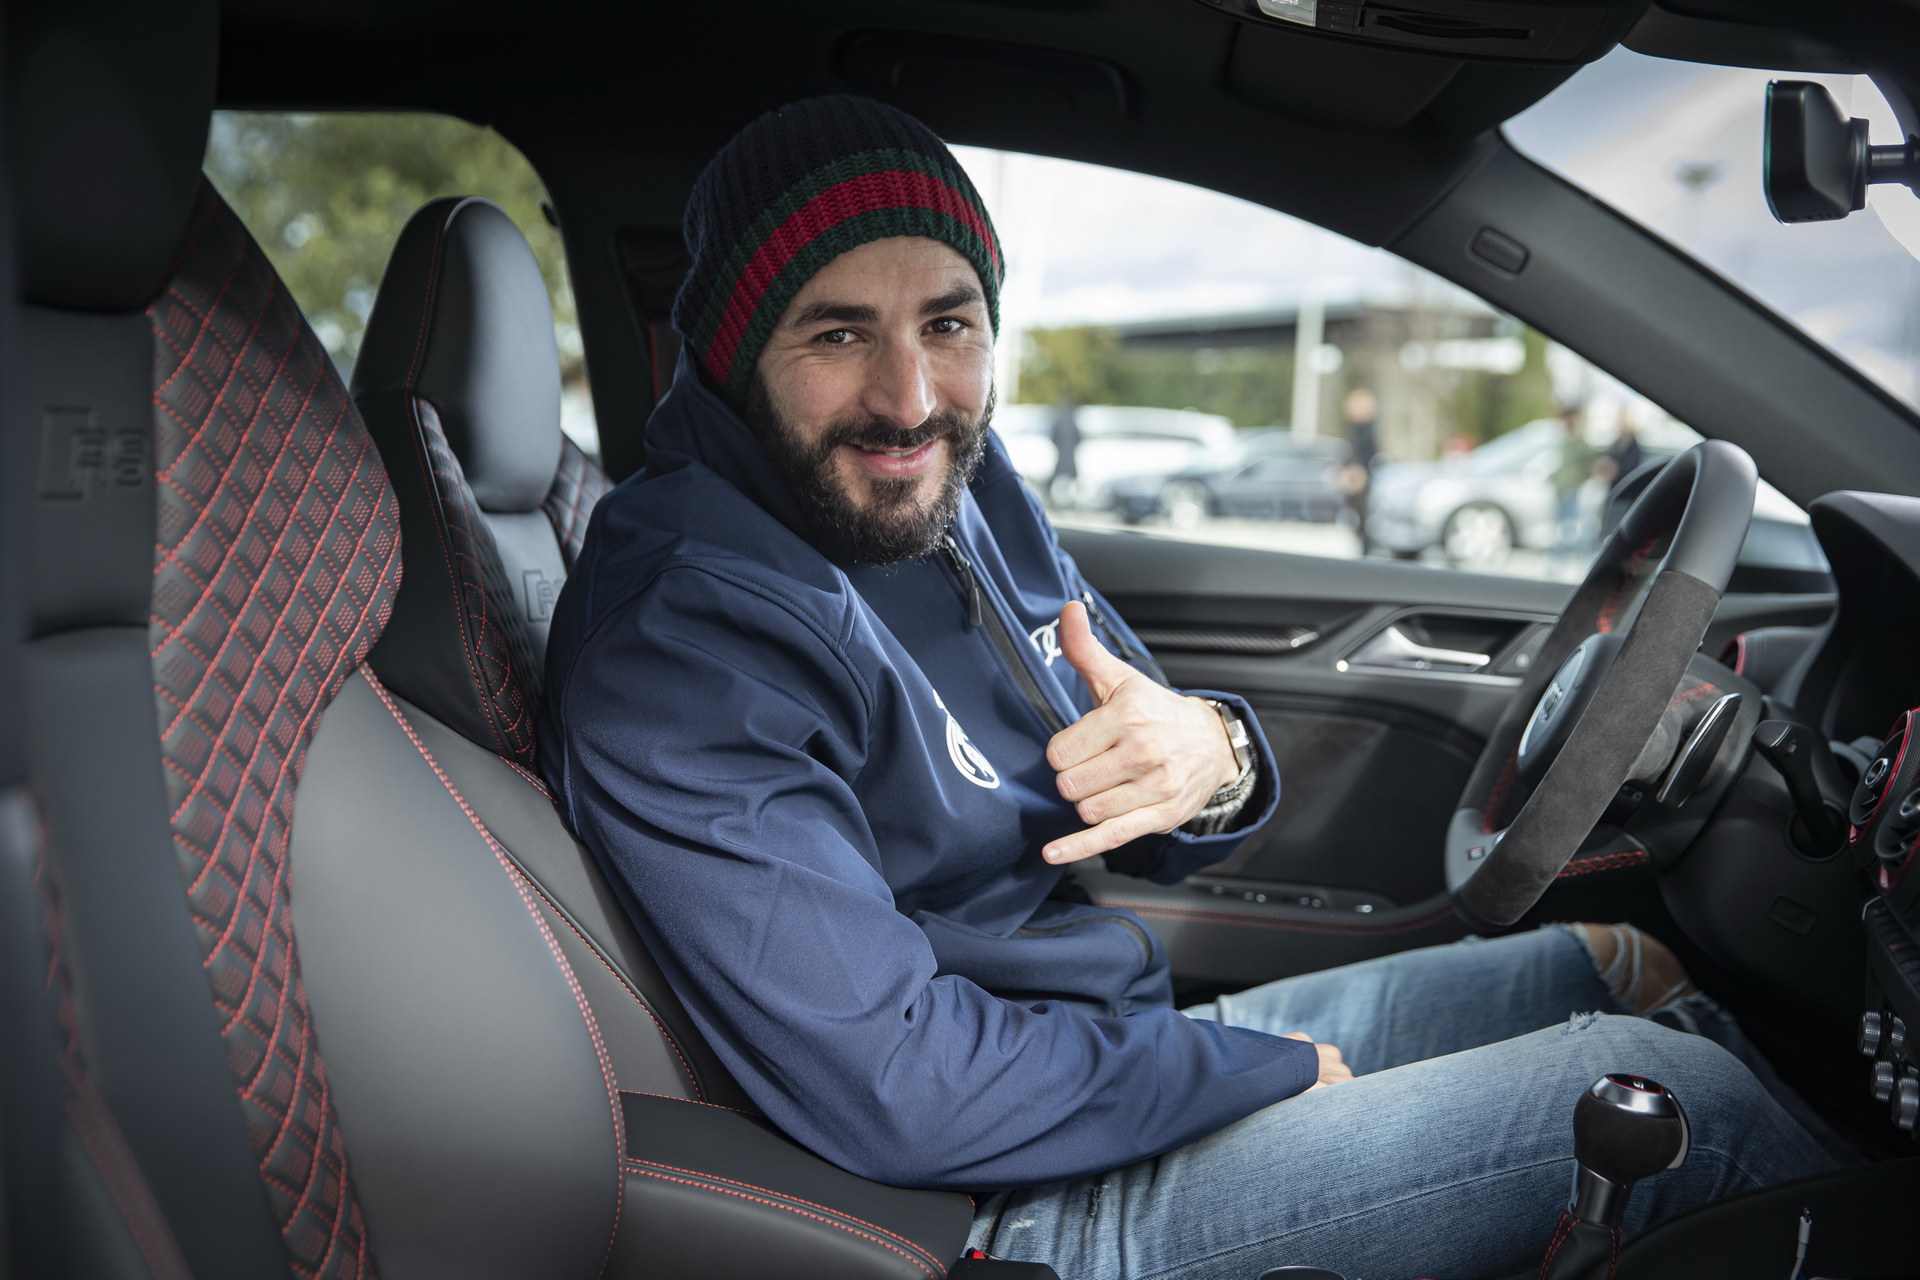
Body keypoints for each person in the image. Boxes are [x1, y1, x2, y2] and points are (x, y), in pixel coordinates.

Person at [539, 97, 1831, 1280]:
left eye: (949, 323)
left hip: (1088, 1041)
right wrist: (1239, 1070)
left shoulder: (960, 491)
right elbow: (901, 1086)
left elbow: (1168, 788)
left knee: (1609, 968)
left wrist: (1215, 755)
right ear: (728, 348)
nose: (911, 400)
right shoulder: (684, 640)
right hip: (1008, 1203)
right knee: (1690, 1116)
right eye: (836, 332)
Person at [1338, 386, 1379, 554]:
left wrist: (1358, 473)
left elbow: (1368, 455)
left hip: (1363, 480)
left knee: (1364, 520)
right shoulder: (1355, 428)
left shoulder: (1367, 430)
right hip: (1356, 480)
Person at [1048, 393, 1080, 509]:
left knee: (1058, 478)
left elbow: (1053, 438)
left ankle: (1056, 503)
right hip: (1070, 456)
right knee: (1071, 479)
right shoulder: (1073, 421)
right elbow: (1079, 439)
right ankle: (1071, 503)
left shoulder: (1058, 421)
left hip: (1061, 456)